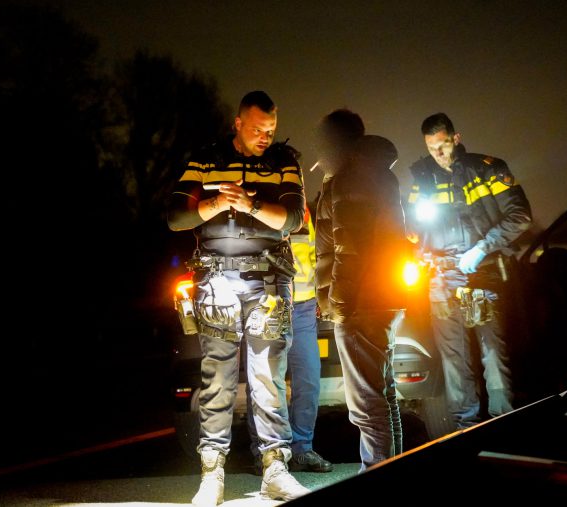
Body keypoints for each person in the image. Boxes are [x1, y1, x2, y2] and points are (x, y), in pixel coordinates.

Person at [167, 90, 310, 506]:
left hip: (268, 282)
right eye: (258, 129)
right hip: (216, 281)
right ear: (238, 123)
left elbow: (294, 219)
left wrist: (251, 203)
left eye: (271, 130)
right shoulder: (205, 160)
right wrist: (215, 203)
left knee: (268, 377)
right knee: (218, 378)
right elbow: (176, 217)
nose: (266, 137)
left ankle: (275, 469)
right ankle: (212, 474)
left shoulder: (284, 162)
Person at [406, 112, 532, 430]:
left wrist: (483, 248)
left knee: (493, 353)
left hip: (483, 273)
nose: (438, 154)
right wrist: (415, 245)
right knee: (454, 360)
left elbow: (520, 216)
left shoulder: (488, 169)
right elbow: (412, 228)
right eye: (431, 148)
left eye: (443, 145)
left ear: (456, 138)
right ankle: (466, 429)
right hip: (442, 279)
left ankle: (503, 424)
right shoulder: (423, 180)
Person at [314, 108, 407, 471]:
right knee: (384, 398)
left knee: (367, 406)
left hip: (361, 303)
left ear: (335, 143)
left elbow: (349, 249)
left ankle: (377, 482)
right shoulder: (374, 172)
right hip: (382, 297)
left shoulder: (350, 177)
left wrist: (338, 303)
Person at [245, 205, 333, 474]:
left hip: (304, 307)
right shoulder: (265, 204)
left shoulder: (303, 210)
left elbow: (315, 255)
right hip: (270, 303)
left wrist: (320, 295)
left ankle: (302, 450)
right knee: (265, 381)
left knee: (309, 380)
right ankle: (265, 452)